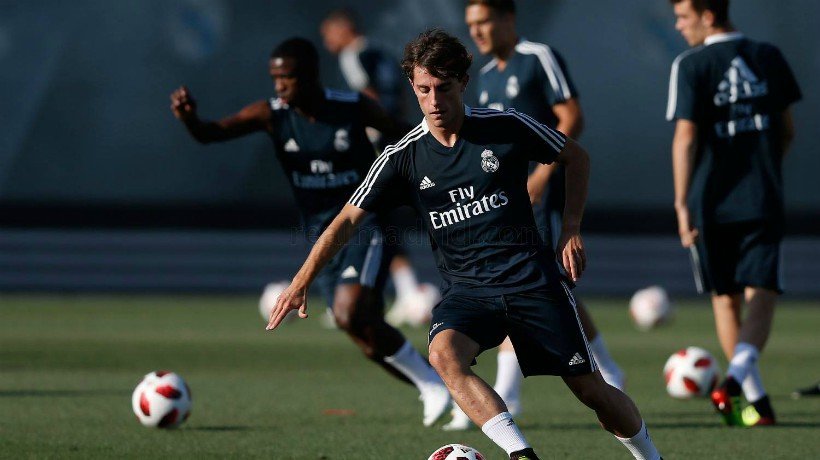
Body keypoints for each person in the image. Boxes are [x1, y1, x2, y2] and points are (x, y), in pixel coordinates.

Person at [268, 29, 662, 460]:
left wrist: (571, 227)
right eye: (423, 90)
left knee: (592, 393)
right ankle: (521, 455)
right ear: (412, 89)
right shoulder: (401, 157)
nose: (434, 101)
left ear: (463, 84)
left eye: (443, 88)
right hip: (470, 292)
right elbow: (347, 218)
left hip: (533, 283)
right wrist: (302, 279)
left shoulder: (506, 126)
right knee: (443, 354)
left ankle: (650, 456)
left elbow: (576, 157)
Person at [169, 37, 450, 427]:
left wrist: (447, 158)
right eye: (275, 78)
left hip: (365, 223)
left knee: (351, 312)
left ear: (312, 76)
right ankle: (434, 384)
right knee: (358, 327)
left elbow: (403, 132)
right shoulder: (271, 114)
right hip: (322, 237)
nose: (279, 86)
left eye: (287, 78)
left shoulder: (350, 107)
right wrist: (189, 119)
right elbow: (212, 133)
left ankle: (436, 386)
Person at [443, 0, 627, 431]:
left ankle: (510, 391)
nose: (479, 31)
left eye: (485, 21)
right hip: (507, 203)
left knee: (528, 281)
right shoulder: (485, 76)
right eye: (471, 24)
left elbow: (571, 117)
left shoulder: (537, 57)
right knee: (546, 284)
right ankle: (610, 371)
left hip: (543, 197)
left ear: (508, 18)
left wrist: (542, 176)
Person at [666, 0, 801, 427]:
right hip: (763, 196)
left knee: (725, 299)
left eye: (684, 17)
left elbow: (686, 138)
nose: (678, 25)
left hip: (712, 202)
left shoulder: (691, 64)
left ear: (708, 15)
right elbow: (787, 129)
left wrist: (681, 202)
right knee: (761, 292)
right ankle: (748, 391)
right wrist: (767, 169)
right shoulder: (768, 57)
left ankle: (744, 390)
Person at [320, 8, 442, 327]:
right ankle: (404, 292)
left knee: (361, 216)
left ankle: (356, 296)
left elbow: (368, 96)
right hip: (399, 138)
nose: (326, 40)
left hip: (377, 146)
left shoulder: (353, 55)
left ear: (344, 29)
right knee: (386, 220)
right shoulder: (380, 53)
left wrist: (365, 134)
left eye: (329, 33)